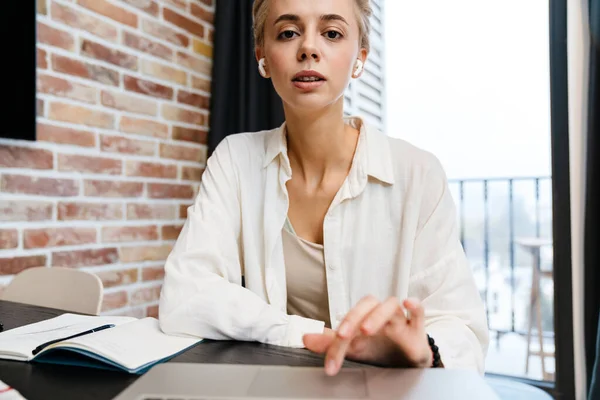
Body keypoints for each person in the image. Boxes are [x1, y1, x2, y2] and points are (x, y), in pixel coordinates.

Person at [158, 0, 489, 377]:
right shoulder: (235, 159)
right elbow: (186, 295)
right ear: (262, 57)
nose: (308, 49)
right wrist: (322, 337)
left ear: (359, 57)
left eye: (332, 33)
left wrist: (424, 350)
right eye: (288, 33)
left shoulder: (418, 173)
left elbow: (463, 330)